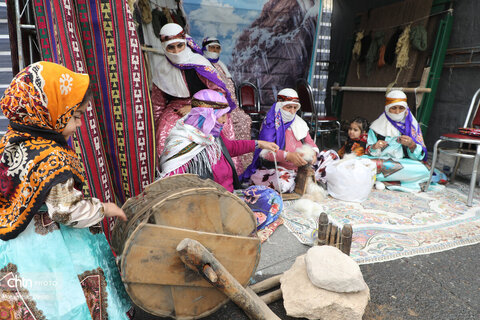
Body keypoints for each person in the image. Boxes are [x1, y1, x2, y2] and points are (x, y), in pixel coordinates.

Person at [0, 61, 131, 319]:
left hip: (16, 247)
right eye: (75, 116)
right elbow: (65, 211)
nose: (79, 125)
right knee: (68, 304)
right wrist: (104, 208)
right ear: (50, 112)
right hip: (56, 250)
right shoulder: (51, 157)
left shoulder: (11, 142)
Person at [159, 89, 278, 192]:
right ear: (208, 116)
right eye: (222, 115)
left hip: (228, 198)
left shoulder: (211, 136)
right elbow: (173, 188)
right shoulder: (183, 146)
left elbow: (230, 148)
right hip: (208, 208)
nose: (225, 120)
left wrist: (260, 144)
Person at [151, 23, 237, 160]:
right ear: (164, 47)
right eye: (171, 47)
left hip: (208, 106)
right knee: (164, 133)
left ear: (185, 43)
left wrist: (194, 107)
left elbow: (220, 93)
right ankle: (172, 175)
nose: (176, 51)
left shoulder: (199, 63)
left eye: (180, 45)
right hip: (175, 109)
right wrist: (156, 125)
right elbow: (157, 103)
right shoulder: (161, 68)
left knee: (216, 132)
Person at [242, 88, 339, 193]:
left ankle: (311, 180)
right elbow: (265, 153)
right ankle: (304, 183)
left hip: (303, 166)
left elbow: (309, 142)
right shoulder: (270, 125)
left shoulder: (299, 122)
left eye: (294, 107)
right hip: (281, 169)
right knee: (282, 183)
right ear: (280, 105)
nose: (292, 111)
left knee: (331, 155)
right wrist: (288, 156)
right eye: (288, 107)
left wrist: (313, 154)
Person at [364, 90, 439, 191]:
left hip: (404, 164)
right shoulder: (376, 127)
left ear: (406, 108)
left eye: (401, 108)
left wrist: (412, 145)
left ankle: (380, 180)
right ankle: (394, 181)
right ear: (387, 108)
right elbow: (368, 151)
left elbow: (418, 157)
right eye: (393, 108)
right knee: (363, 163)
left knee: (424, 170)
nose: (398, 112)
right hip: (381, 161)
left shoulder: (412, 127)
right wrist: (374, 147)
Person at [202, 36, 253, 174]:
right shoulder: (202, 65)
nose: (214, 50)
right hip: (216, 107)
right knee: (226, 126)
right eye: (211, 47)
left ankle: (244, 166)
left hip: (231, 106)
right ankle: (230, 168)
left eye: (217, 48)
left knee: (244, 120)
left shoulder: (221, 65)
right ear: (205, 48)